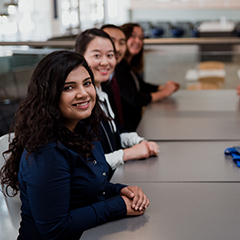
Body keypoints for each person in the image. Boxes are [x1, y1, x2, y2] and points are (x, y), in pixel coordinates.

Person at [0, 50, 149, 239]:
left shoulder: (83, 129)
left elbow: (86, 186)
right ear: (49, 95)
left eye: (87, 83)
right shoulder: (46, 152)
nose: (83, 93)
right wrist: (118, 205)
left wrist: (119, 190)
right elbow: (55, 228)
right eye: (69, 88)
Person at [75, 28, 159, 178]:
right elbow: (86, 166)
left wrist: (139, 142)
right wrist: (126, 154)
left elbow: (115, 131)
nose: (105, 62)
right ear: (80, 57)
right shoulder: (80, 104)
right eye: (96, 55)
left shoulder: (102, 93)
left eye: (110, 55)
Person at [113, 23, 180, 131]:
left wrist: (163, 87)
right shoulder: (118, 67)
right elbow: (135, 98)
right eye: (133, 36)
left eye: (141, 38)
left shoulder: (128, 66)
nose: (138, 41)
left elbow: (141, 85)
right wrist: (164, 93)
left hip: (136, 126)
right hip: (127, 131)